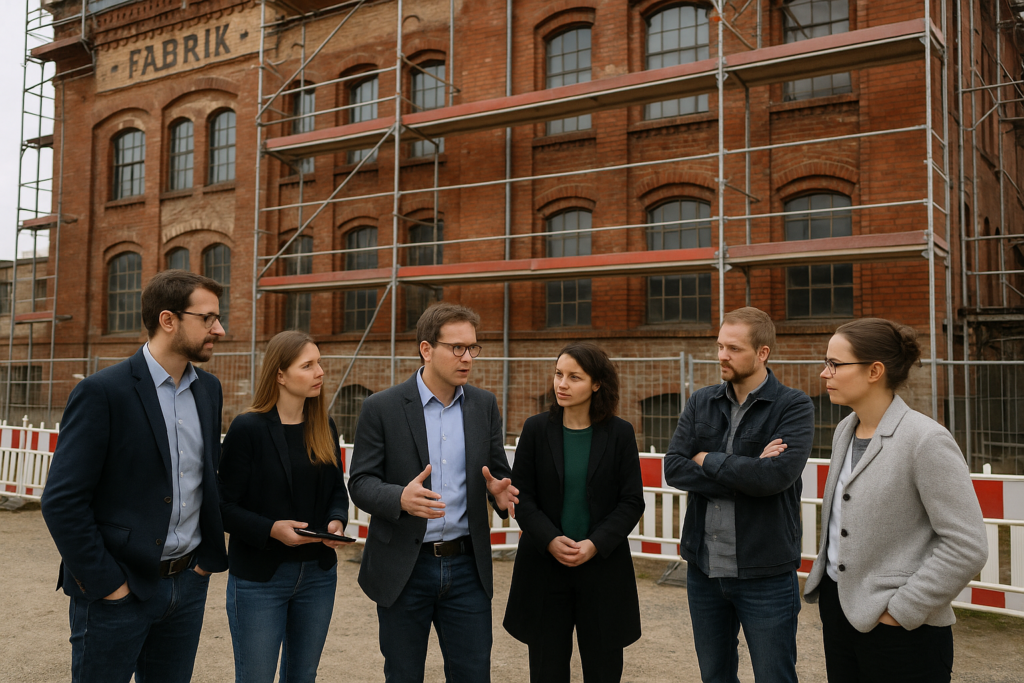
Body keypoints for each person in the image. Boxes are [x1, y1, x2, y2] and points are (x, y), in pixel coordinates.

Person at [40, 270, 228, 683]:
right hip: (118, 592)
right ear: (168, 320)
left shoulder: (209, 390)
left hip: (187, 585)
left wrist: (202, 567)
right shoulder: (103, 391)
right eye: (208, 318)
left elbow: (206, 481)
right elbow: (62, 501)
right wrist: (109, 586)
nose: (220, 329)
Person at [803, 318, 988, 682]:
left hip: (902, 632)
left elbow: (967, 545)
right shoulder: (844, 430)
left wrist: (901, 610)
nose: (824, 374)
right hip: (838, 613)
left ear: (875, 371)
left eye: (835, 364)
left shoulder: (925, 439)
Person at [348, 302, 519, 682]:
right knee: (403, 674)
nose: (467, 357)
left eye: (472, 347)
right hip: (405, 568)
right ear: (426, 349)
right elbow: (360, 483)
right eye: (457, 347)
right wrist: (399, 498)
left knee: (473, 675)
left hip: (467, 568)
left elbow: (498, 474)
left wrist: (498, 492)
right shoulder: (382, 407)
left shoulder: (484, 405)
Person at [664, 306, 814, 683]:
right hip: (703, 568)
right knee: (714, 676)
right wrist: (748, 470)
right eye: (719, 346)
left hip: (766, 572)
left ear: (762, 352)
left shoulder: (794, 406)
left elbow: (774, 477)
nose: (722, 356)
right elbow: (674, 468)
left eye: (733, 348)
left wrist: (706, 458)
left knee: (774, 676)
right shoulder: (701, 401)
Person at [503, 342, 645, 683]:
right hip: (544, 569)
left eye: (574, 377)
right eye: (558, 374)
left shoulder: (620, 433)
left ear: (596, 384)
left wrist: (594, 544)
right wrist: (551, 540)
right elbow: (523, 498)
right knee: (547, 671)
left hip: (602, 569)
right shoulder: (535, 429)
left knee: (603, 671)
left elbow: (631, 501)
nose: (561, 384)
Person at [218, 331, 353, 683]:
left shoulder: (324, 425)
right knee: (256, 677)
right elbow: (222, 506)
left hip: (318, 575)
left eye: (319, 363)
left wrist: (336, 522)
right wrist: (271, 529)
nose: (320, 372)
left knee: (303, 675)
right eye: (307, 365)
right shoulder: (247, 428)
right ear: (280, 374)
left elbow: (336, 492)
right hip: (260, 578)